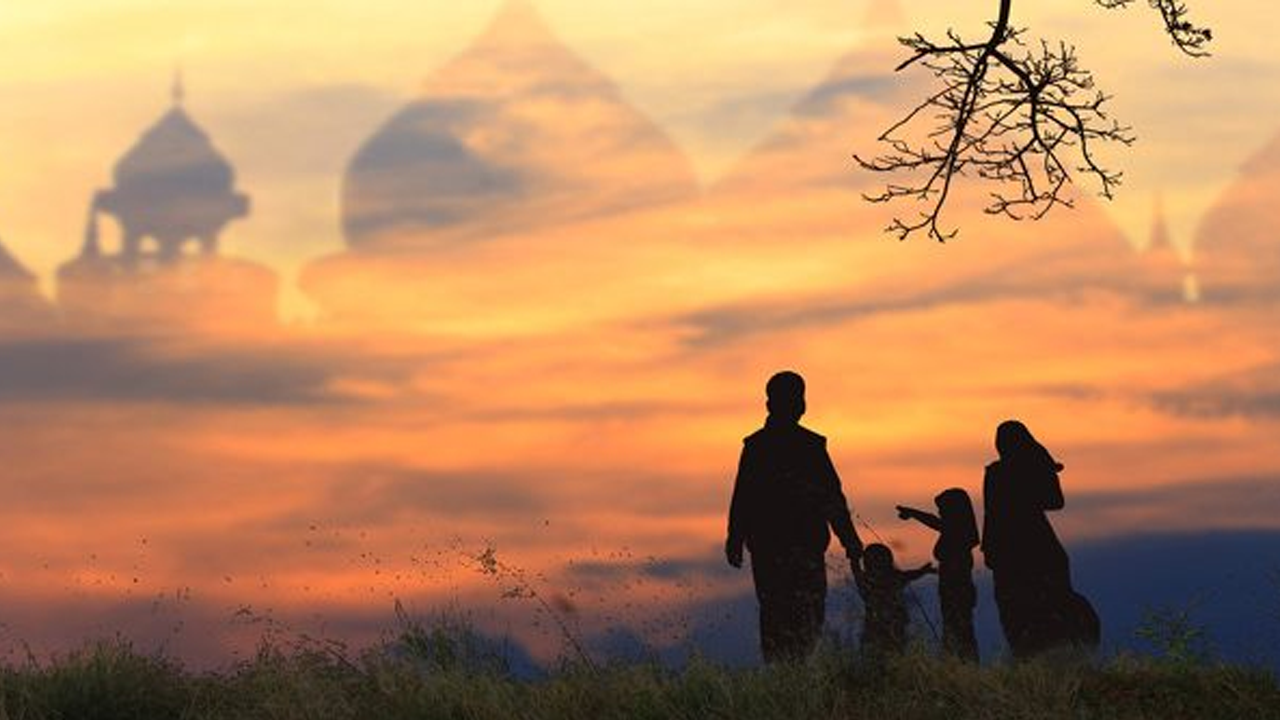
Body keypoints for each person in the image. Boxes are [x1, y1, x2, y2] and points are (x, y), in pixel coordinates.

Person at [725, 370, 864, 663]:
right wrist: (735, 537)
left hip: (788, 546)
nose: (799, 404)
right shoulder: (787, 447)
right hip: (783, 547)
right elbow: (745, 496)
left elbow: (831, 498)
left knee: (786, 614)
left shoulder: (783, 446)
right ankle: (789, 676)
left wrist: (735, 538)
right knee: (792, 614)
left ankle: (790, 676)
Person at [981, 420, 1099, 658]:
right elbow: (991, 512)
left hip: (1023, 543)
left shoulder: (1008, 470)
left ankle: (1063, 645)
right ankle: (1030, 655)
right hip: (1014, 545)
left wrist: (1037, 470)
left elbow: (1055, 501)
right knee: (1015, 606)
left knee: (1050, 598)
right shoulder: (1000, 472)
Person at [897, 488, 980, 662]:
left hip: (956, 590)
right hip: (952, 588)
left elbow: (936, 523)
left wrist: (913, 513)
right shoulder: (957, 533)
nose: (940, 513)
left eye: (943, 510)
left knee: (958, 632)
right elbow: (937, 523)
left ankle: (961, 666)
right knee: (955, 631)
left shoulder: (958, 534)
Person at [852, 543, 935, 658]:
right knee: (892, 655)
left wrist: (853, 555)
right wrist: (923, 571)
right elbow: (909, 575)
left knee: (880, 657)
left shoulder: (868, 580)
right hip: (889, 628)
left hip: (881, 628)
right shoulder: (891, 578)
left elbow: (855, 569)